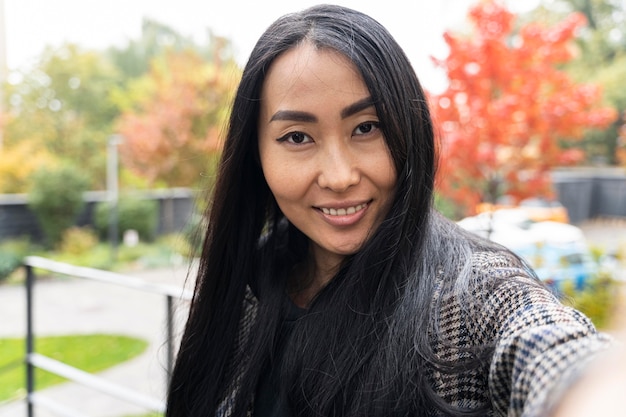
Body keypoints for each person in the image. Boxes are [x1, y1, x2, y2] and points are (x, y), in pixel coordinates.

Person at [165, 4, 612, 416]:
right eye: (298, 137)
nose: (339, 177)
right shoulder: (248, 282)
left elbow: (549, 348)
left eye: (366, 127)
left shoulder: (468, 296)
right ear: (255, 155)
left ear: (407, 128)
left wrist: (593, 389)